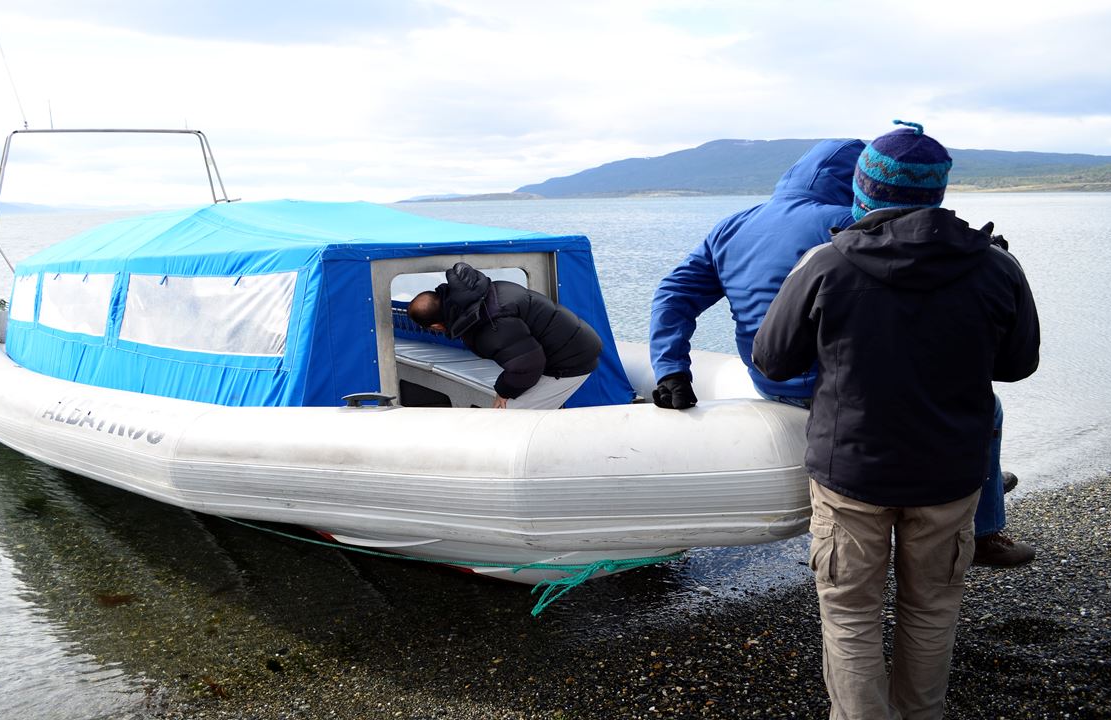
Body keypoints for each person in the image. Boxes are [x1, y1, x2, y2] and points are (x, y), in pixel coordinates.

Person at [751, 120, 1040, 719]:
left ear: (864, 190)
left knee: (850, 614)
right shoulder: (997, 267)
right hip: (949, 474)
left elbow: (772, 360)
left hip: (851, 472)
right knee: (932, 609)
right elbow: (1018, 365)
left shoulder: (825, 263)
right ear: (937, 191)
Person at [648, 136, 1034, 567]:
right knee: (986, 406)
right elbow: (925, 278)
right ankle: (981, 524)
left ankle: (978, 484)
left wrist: (671, 368)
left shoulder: (732, 226)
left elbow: (673, 293)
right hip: (850, 384)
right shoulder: (852, 222)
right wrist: (981, 255)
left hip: (772, 380)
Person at [408, 262, 602, 409]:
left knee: (511, 414)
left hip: (571, 359)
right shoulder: (482, 294)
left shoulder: (489, 324)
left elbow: (527, 365)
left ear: (436, 326)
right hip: (566, 346)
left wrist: (503, 391)